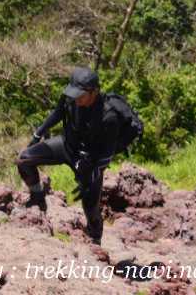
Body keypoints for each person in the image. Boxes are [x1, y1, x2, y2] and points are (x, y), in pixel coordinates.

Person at [16, 67, 120, 245]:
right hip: (66, 145)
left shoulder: (109, 115)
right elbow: (57, 113)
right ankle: (37, 198)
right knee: (24, 159)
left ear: (94, 91)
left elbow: (107, 154)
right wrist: (37, 134)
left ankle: (95, 240)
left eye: (81, 95)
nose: (76, 98)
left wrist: (92, 175)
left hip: (89, 160)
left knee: (90, 207)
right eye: (74, 93)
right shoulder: (70, 97)